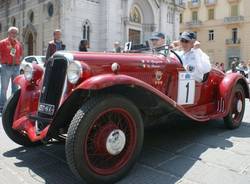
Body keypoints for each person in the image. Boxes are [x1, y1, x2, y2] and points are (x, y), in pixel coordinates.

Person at [0, 27, 23, 112]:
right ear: (9, 33)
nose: (14, 34)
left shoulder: (18, 44)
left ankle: (12, 106)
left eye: (16, 33)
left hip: (16, 68)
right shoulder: (2, 43)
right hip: (6, 67)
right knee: (4, 88)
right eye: (12, 32)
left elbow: (20, 55)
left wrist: (18, 62)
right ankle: (2, 106)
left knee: (15, 88)